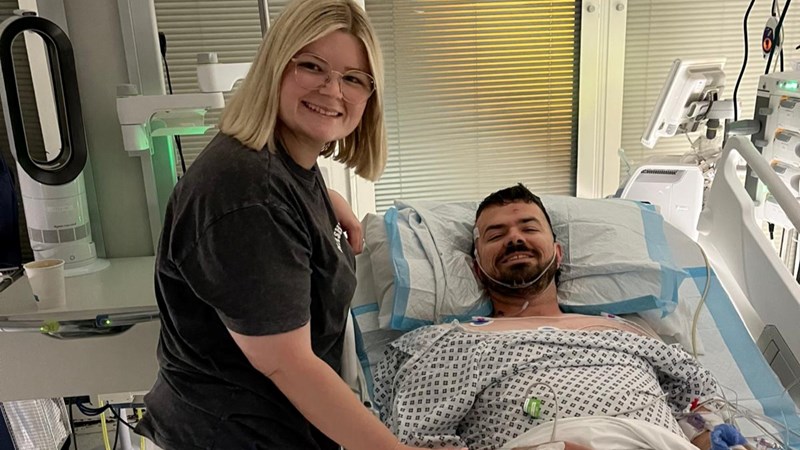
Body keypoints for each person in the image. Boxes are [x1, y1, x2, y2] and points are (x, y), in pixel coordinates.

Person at [135, 1, 465, 449]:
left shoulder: (284, 164)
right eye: (312, 66)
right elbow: (287, 365)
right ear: (275, 66)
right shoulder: (250, 193)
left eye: (353, 79)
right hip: (235, 435)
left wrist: (328, 201)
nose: (332, 90)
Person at [373, 184, 747, 450]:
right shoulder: (448, 342)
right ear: (475, 267)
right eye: (496, 235)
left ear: (558, 253)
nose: (514, 238)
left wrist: (715, 439)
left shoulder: (629, 330)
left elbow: (695, 406)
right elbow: (417, 439)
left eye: (528, 228)